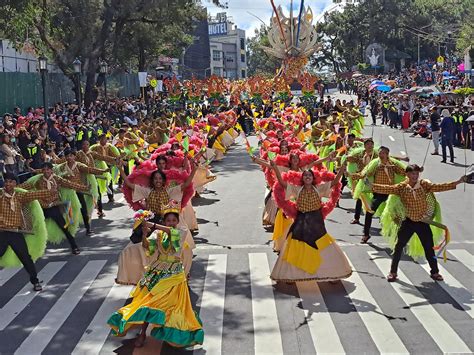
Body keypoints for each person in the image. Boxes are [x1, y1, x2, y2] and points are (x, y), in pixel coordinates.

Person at [107, 202, 204, 348]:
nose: (171, 223)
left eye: (173, 220)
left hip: (173, 276)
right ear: (165, 221)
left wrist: (154, 226)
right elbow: (148, 248)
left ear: (177, 221)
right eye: (168, 220)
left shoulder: (182, 231)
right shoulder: (158, 234)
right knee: (148, 303)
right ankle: (142, 334)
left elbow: (173, 234)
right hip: (156, 272)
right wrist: (145, 234)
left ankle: (169, 334)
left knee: (171, 308)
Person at [370, 164, 466, 282]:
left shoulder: (424, 185)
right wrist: (372, 185)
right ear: (407, 174)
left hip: (422, 222)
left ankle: (435, 272)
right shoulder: (401, 187)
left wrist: (458, 182)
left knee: (429, 248)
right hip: (408, 222)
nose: (415, 176)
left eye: (416, 174)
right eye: (412, 174)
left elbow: (439, 187)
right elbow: (388, 188)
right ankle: (393, 272)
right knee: (399, 247)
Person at [269, 160, 352, 282]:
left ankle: (333, 273)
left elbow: (334, 182)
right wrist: (275, 167)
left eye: (309, 175)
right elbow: (281, 182)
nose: (307, 177)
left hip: (316, 221)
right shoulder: (297, 189)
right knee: (295, 244)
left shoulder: (320, 188)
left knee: (322, 244)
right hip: (301, 220)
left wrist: (341, 169)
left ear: (313, 178)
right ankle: (290, 276)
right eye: (305, 175)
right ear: (302, 179)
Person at [0, 173, 51, 291]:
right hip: (2, 233)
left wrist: (50, 192)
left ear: (14, 184)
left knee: (26, 258)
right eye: (6, 181)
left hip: (15, 233)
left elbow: (33, 195)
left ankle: (35, 281)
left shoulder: (19, 196)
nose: (7, 184)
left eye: (10, 181)